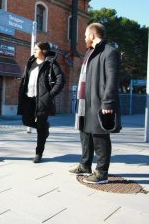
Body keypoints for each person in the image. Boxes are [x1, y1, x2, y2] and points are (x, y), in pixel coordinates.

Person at [69, 23, 122, 184]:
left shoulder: (109, 52)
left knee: (100, 136)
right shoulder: (90, 52)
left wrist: (108, 103)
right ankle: (85, 165)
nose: (84, 38)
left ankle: (102, 172)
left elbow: (112, 79)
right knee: (84, 133)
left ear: (92, 35)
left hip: (99, 102)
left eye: (85, 35)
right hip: (85, 101)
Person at [18, 42, 65, 163]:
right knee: (26, 120)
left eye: (36, 49)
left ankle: (38, 153)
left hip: (43, 100)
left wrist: (50, 95)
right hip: (29, 98)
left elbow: (61, 80)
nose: (33, 50)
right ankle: (45, 129)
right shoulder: (31, 62)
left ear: (43, 51)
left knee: (40, 127)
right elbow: (25, 78)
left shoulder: (50, 63)